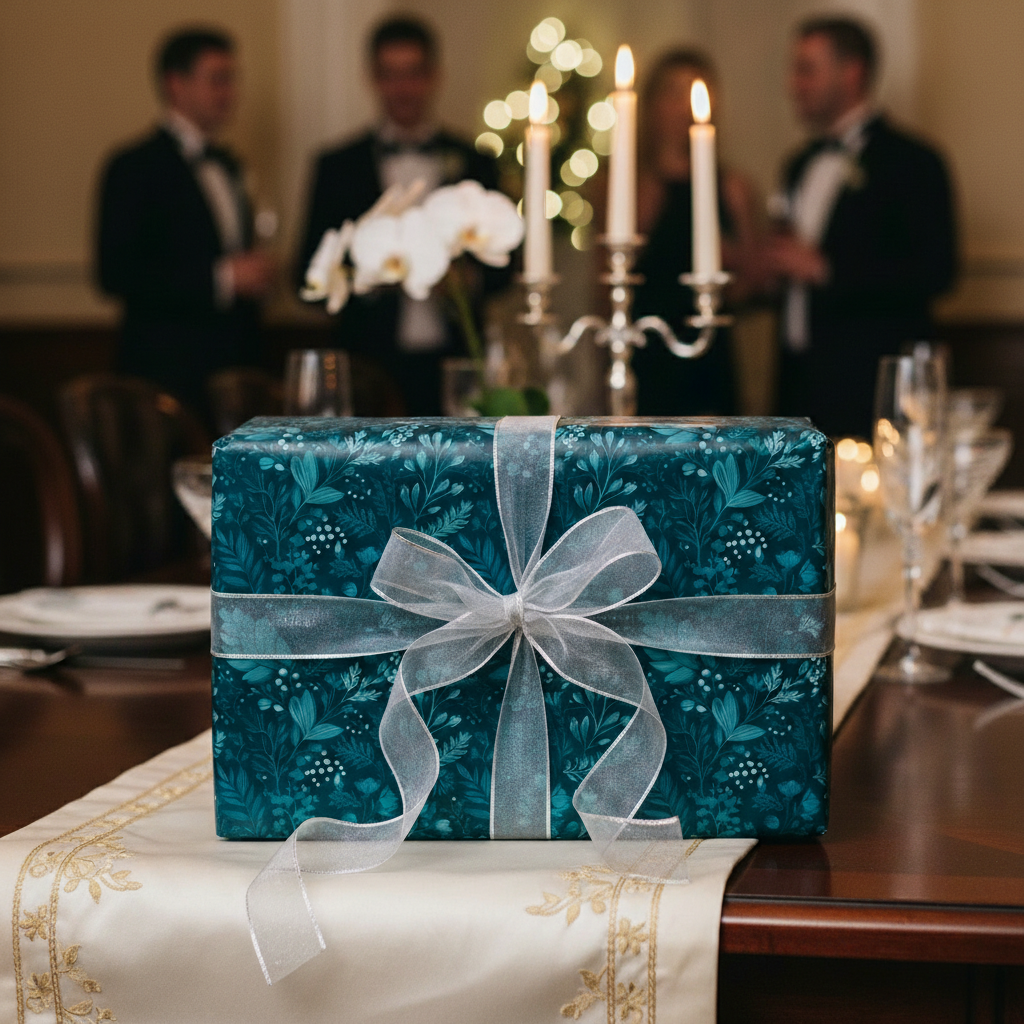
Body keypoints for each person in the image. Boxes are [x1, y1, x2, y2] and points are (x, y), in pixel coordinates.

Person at [296, 16, 505, 416]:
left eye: (412, 74)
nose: (402, 88)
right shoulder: (336, 166)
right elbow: (306, 274)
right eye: (390, 75)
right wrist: (370, 279)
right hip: (369, 366)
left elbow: (510, 262)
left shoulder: (475, 162)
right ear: (372, 79)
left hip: (456, 361)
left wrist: (470, 279)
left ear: (434, 76)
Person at [766, 16, 957, 438]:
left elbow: (936, 270)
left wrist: (825, 270)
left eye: (807, 69)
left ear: (852, 72)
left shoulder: (914, 162)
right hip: (799, 385)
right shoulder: (799, 163)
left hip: (869, 387)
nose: (794, 83)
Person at [97, 28, 275, 421]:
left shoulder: (231, 165)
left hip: (235, 375)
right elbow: (115, 274)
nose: (230, 91)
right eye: (217, 79)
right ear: (175, 84)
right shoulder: (132, 167)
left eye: (232, 79)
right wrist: (224, 278)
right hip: (165, 379)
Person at [631, 49, 763, 416]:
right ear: (653, 103)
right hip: (648, 348)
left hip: (709, 348)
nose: (680, 106)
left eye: (693, 92)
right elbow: (607, 282)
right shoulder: (629, 186)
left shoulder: (732, 187)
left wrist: (735, 261)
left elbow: (750, 284)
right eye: (672, 91)